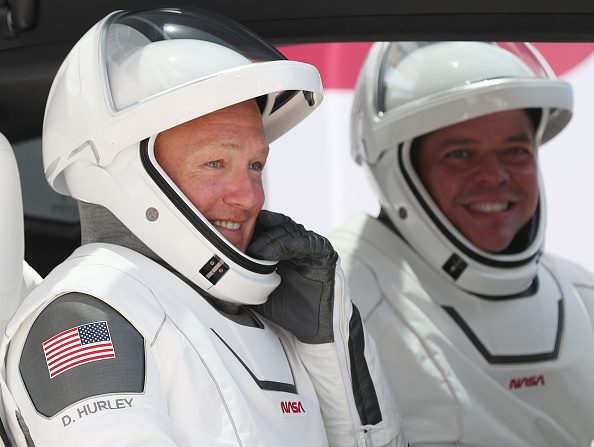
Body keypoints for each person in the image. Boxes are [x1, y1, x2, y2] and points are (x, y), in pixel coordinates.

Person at [0, 9, 407, 447]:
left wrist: (329, 349)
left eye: (255, 165)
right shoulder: (87, 318)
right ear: (125, 170)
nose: (250, 197)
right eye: (216, 163)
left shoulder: (271, 317)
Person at [330, 41, 594, 446]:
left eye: (516, 151)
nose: (495, 175)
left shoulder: (581, 297)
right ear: (401, 170)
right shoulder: (338, 300)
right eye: (460, 154)